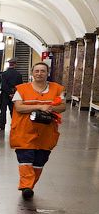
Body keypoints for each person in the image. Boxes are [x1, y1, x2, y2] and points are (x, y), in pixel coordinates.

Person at [9, 62, 66, 200]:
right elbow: (19, 108)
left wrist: (50, 108)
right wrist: (40, 107)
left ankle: (30, 185)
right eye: (37, 71)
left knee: (40, 161)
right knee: (25, 159)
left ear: (48, 73)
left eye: (42, 71)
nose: (39, 73)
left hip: (46, 133)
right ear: (32, 73)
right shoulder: (21, 89)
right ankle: (26, 186)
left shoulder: (57, 89)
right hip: (24, 131)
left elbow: (62, 106)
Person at [0, 57, 24, 128]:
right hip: (14, 94)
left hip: (4, 94)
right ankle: (14, 124)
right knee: (13, 110)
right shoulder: (18, 74)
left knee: (3, 110)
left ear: (9, 64)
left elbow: (3, 85)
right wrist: (12, 93)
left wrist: (8, 93)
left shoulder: (4, 74)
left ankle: (2, 125)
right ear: (15, 65)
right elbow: (20, 86)